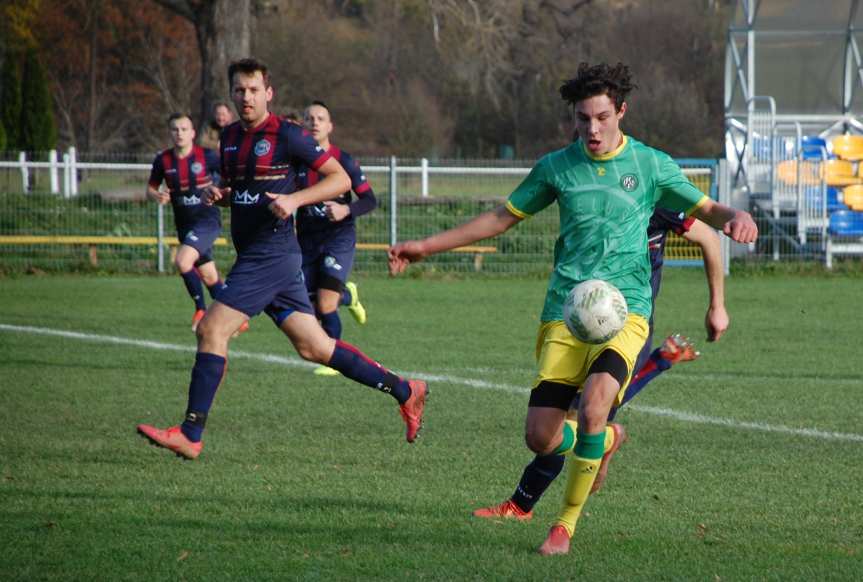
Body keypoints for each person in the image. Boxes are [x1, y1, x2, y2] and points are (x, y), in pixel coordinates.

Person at [388, 62, 757, 556]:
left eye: (602, 117)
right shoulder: (557, 168)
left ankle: (563, 526)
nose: (593, 129)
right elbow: (501, 218)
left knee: (595, 407)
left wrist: (736, 215)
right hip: (567, 315)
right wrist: (426, 247)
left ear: (621, 111)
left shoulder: (650, 165)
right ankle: (603, 442)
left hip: (626, 312)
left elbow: (707, 212)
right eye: (583, 119)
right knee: (540, 437)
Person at [137, 58, 427, 461]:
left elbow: (340, 180)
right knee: (316, 348)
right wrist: (222, 193)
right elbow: (242, 185)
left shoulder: (287, 135)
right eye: (239, 90)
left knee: (212, 330)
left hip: (270, 257)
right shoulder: (231, 136)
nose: (246, 97)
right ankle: (405, 389)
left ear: (268, 93)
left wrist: (294, 199)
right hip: (261, 257)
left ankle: (190, 432)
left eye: (254, 90)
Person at [472, 209, 726, 522]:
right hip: (581, 320)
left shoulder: (657, 197)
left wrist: (717, 306)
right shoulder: (596, 191)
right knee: (562, 420)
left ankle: (530, 507)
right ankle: (604, 439)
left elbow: (708, 236)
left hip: (629, 324)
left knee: (579, 416)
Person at [298, 100, 377, 376]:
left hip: (338, 239)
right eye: (309, 118)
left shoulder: (344, 161)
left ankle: (335, 360)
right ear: (302, 124)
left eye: (320, 118)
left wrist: (346, 209)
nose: (315, 122)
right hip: (306, 242)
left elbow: (370, 200)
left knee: (325, 303)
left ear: (330, 126)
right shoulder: (295, 161)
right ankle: (349, 295)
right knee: (305, 306)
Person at [146, 113, 234, 331]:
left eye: (184, 129)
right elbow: (150, 188)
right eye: (175, 129)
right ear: (170, 133)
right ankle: (235, 316)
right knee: (209, 275)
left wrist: (223, 190)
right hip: (184, 225)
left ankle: (201, 310)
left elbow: (228, 175)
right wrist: (156, 195)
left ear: (193, 133)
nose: (179, 134)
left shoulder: (207, 157)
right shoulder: (163, 160)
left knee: (183, 262)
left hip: (207, 221)